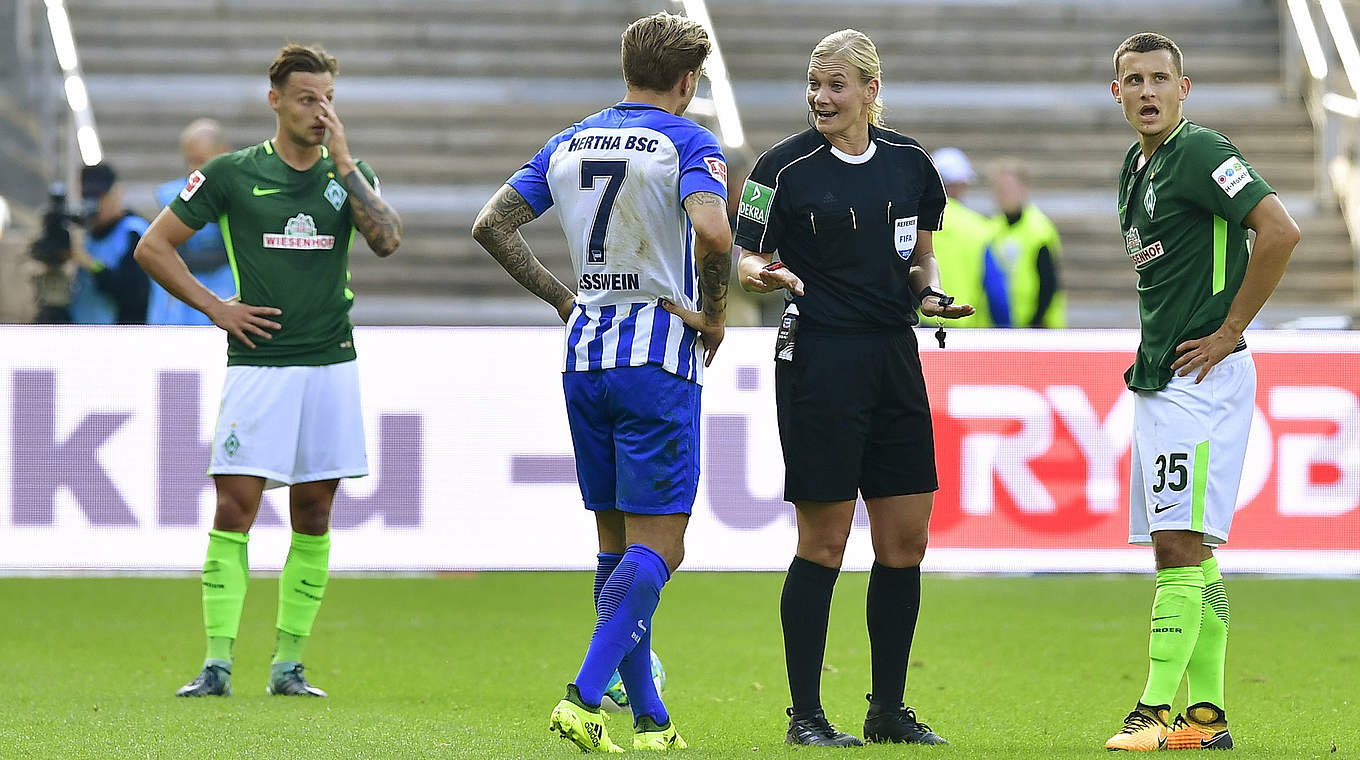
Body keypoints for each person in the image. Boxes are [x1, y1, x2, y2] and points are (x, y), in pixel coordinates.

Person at [472, 11, 730, 753]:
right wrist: (714, 315)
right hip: (656, 355)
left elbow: (493, 224)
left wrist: (563, 298)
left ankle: (652, 722)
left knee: (616, 546)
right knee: (663, 546)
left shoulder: (571, 140)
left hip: (585, 356)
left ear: (628, 69)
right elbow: (713, 233)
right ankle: (584, 696)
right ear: (687, 82)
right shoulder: (687, 139)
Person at [133, 42, 402, 699]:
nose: (321, 111)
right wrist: (216, 309)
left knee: (315, 511)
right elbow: (152, 245)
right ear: (275, 99)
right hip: (260, 366)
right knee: (235, 506)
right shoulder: (229, 174)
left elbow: (388, 240)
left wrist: (344, 163)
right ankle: (218, 663)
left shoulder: (348, 174)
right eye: (309, 99)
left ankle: (288, 666)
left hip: (331, 363)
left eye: (330, 99)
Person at [734, 29, 972, 747]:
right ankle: (806, 715)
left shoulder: (911, 165)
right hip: (819, 358)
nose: (821, 97)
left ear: (871, 89)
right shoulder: (778, 168)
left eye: (836, 85)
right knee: (826, 541)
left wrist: (929, 297)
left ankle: (887, 711)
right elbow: (745, 260)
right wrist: (765, 275)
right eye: (814, 84)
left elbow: (920, 259)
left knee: (907, 540)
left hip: (894, 354)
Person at [1103, 32, 1298, 752]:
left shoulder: (1201, 151)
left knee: (1177, 545)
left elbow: (1278, 230)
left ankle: (1153, 713)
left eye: (1160, 79)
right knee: (1192, 548)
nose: (1147, 91)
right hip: (1161, 377)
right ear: (1115, 92)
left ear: (1184, 89)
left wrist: (1230, 331)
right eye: (1134, 80)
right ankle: (1206, 719)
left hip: (1203, 378)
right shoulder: (1136, 165)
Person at [147, 118, 236, 325]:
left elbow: (231, 250)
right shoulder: (171, 195)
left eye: (200, 161)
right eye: (189, 161)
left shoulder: (241, 193)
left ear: (223, 153)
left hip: (229, 298)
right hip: (185, 308)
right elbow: (176, 254)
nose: (193, 170)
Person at [929, 147, 1006, 327]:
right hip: (965, 325)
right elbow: (996, 292)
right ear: (960, 185)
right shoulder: (978, 227)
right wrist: (1007, 330)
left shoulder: (916, 224)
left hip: (922, 324)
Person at [68, 162, 150, 324]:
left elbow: (134, 294)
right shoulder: (87, 234)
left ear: (118, 192)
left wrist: (90, 264)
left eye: (101, 196)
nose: (96, 204)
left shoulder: (133, 232)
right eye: (89, 197)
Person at [988, 157, 1065, 328]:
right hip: (1004, 325)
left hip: (1038, 326)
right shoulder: (991, 229)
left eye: (1008, 188)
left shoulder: (1039, 229)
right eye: (999, 189)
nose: (1003, 195)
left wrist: (1035, 322)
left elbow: (1048, 283)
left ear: (1023, 189)